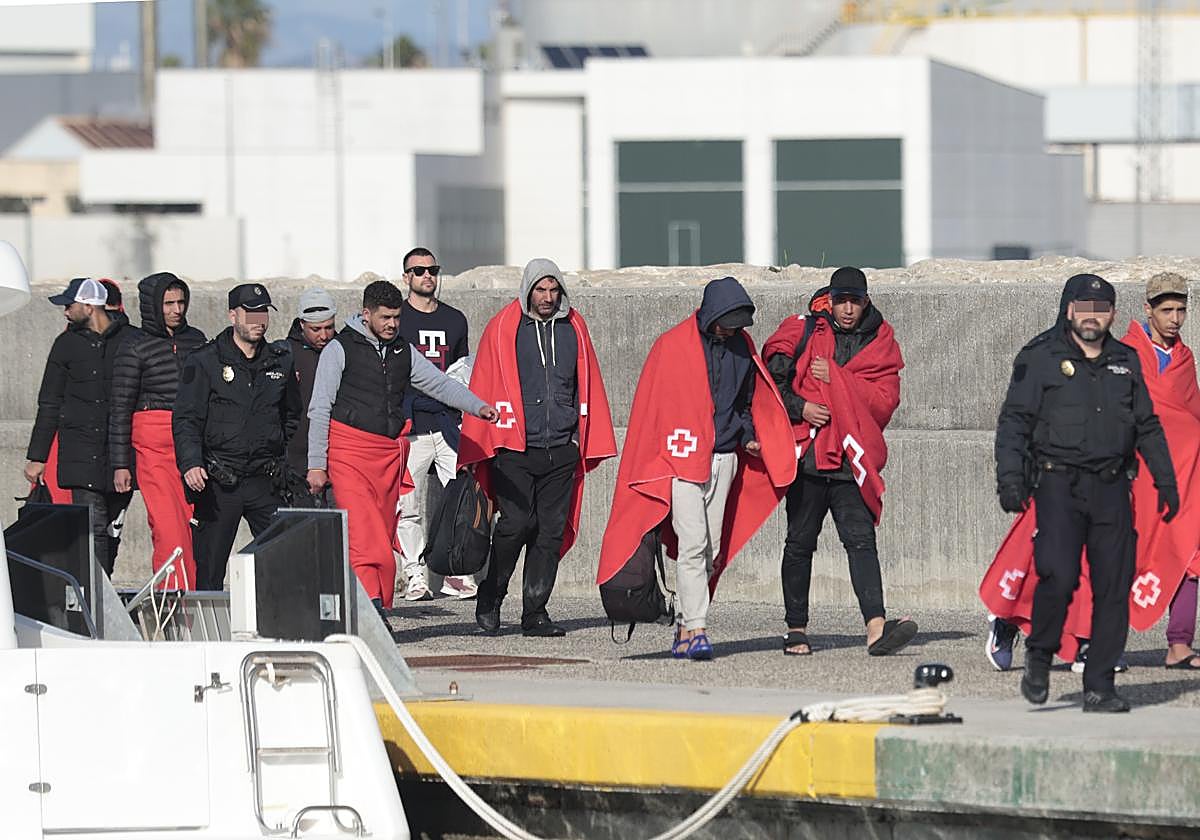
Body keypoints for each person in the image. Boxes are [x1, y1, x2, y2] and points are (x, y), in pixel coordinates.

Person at [983, 272, 1200, 673]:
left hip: (1127, 478)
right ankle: (1008, 620)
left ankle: (1112, 644)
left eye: (1181, 310)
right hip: (1059, 474)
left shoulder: (1149, 359)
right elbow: (1019, 419)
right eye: (1166, 309)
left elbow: (1165, 419)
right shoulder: (1054, 353)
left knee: (1124, 559)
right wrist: (1015, 476)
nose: (1175, 318)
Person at [598, 276, 795, 659]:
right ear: (711, 315)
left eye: (739, 322)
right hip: (680, 459)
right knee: (692, 546)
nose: (734, 328)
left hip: (724, 457)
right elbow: (652, 409)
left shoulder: (742, 346)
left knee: (712, 551)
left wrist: (748, 435)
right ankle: (700, 629)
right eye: (728, 321)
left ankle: (686, 626)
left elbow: (746, 402)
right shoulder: (671, 346)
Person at [305, 280, 497, 616]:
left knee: (381, 537)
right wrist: (316, 464)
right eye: (385, 318)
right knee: (369, 542)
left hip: (386, 458)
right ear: (366, 315)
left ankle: (373, 611)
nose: (393, 324)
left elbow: (438, 384)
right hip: (347, 455)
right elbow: (320, 408)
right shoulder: (340, 349)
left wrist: (476, 406)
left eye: (396, 317)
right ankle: (372, 614)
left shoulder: (401, 351)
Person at [459, 258, 617, 637]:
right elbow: (484, 382)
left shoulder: (574, 328)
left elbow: (587, 380)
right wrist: (482, 441)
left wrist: (581, 436)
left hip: (561, 447)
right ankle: (492, 595)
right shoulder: (503, 328)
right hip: (514, 446)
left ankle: (535, 611)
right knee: (515, 524)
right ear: (527, 289)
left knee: (549, 531)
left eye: (553, 290)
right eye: (540, 290)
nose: (547, 298)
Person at [762, 266, 914, 657]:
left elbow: (884, 402)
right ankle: (796, 629)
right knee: (799, 543)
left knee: (862, 543)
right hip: (810, 458)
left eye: (855, 301)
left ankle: (876, 628)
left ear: (866, 302)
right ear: (829, 300)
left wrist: (835, 378)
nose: (847, 309)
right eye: (841, 300)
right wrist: (803, 407)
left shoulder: (882, 340)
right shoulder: (805, 331)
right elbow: (771, 385)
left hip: (852, 460)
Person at [173, 283, 302, 590]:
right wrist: (191, 462)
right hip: (220, 483)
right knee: (210, 569)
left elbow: (292, 415)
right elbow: (186, 418)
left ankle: (279, 630)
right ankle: (207, 637)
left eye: (263, 313)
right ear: (233, 315)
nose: (258, 321)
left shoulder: (280, 360)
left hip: (264, 480)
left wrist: (278, 454)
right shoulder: (205, 361)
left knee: (286, 560)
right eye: (250, 313)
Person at [24, 277, 136, 574]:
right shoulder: (65, 345)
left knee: (111, 529)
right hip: (80, 453)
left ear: (89, 306)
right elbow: (50, 402)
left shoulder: (131, 340)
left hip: (121, 453)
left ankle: (104, 584)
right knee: (94, 526)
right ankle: (96, 599)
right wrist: (38, 457)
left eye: (69, 305)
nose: (65, 312)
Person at [109, 272, 207, 589]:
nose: (177, 309)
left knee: (194, 527)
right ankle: (174, 601)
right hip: (153, 446)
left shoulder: (197, 340)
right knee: (168, 528)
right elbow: (121, 406)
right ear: (153, 306)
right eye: (168, 303)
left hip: (193, 442)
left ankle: (193, 597)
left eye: (180, 302)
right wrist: (120, 464)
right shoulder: (134, 345)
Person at [393, 247, 477, 601]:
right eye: (419, 270)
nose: (427, 275)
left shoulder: (455, 320)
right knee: (406, 504)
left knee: (463, 498)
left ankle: (457, 572)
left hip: (447, 424)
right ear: (406, 278)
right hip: (411, 426)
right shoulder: (397, 320)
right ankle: (414, 574)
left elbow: (462, 371)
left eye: (433, 269)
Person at [278, 287, 337, 508]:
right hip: (296, 459)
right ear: (301, 324)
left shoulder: (343, 350)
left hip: (337, 457)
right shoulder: (284, 354)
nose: (324, 335)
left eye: (329, 327)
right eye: (316, 329)